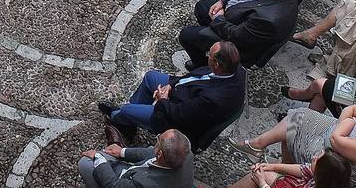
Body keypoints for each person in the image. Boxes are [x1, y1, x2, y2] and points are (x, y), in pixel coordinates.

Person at [234, 94, 356, 188]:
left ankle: (266, 152)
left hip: (337, 166)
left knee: (293, 131)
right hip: (336, 136)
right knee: (299, 116)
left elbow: (333, 141)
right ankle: (261, 147)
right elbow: (350, 109)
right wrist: (343, 125)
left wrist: (348, 123)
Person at [99, 41, 246, 145]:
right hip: (180, 91)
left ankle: (120, 118)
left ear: (217, 65)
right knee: (151, 77)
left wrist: (162, 100)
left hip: (173, 117)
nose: (207, 55)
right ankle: (130, 121)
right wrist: (170, 85)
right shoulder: (234, 68)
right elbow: (195, 76)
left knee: (125, 110)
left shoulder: (213, 100)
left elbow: (180, 115)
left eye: (210, 54)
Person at [183, 0, 298, 66]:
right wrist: (222, 1)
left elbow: (235, 36)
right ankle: (209, 41)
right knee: (201, 7)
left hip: (237, 41)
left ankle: (203, 65)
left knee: (187, 35)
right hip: (235, 16)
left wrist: (218, 20)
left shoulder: (267, 20)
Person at [73, 129, 194, 188]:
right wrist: (122, 152)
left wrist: (97, 157)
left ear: (160, 154)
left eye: (159, 139)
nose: (156, 140)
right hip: (140, 173)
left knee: (86, 163)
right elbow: (150, 152)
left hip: (127, 182)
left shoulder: (146, 185)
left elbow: (114, 186)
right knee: (109, 157)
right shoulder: (185, 154)